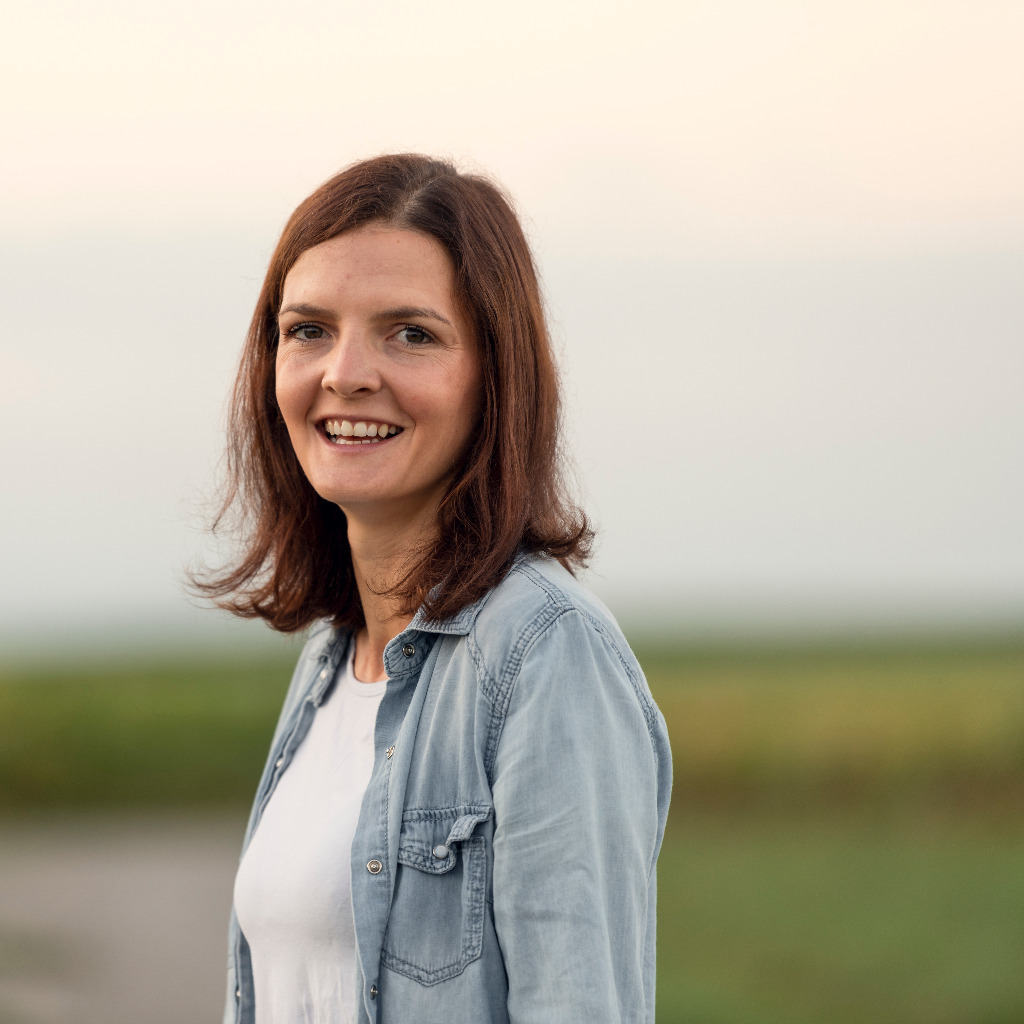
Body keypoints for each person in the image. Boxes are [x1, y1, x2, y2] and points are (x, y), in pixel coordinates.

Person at [198, 153, 672, 1024]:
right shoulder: (331, 664)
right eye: (308, 329)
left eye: (410, 333)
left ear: (496, 375)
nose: (346, 372)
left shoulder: (544, 655)